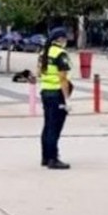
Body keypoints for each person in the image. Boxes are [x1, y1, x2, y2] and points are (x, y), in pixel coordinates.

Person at [31, 27, 73, 170]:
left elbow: (38, 72)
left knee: (48, 125)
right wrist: (67, 99)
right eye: (65, 38)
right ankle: (53, 159)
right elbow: (63, 78)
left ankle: (45, 156)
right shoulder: (61, 54)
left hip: (45, 92)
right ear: (60, 39)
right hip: (57, 94)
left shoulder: (44, 53)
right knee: (55, 127)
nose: (66, 41)